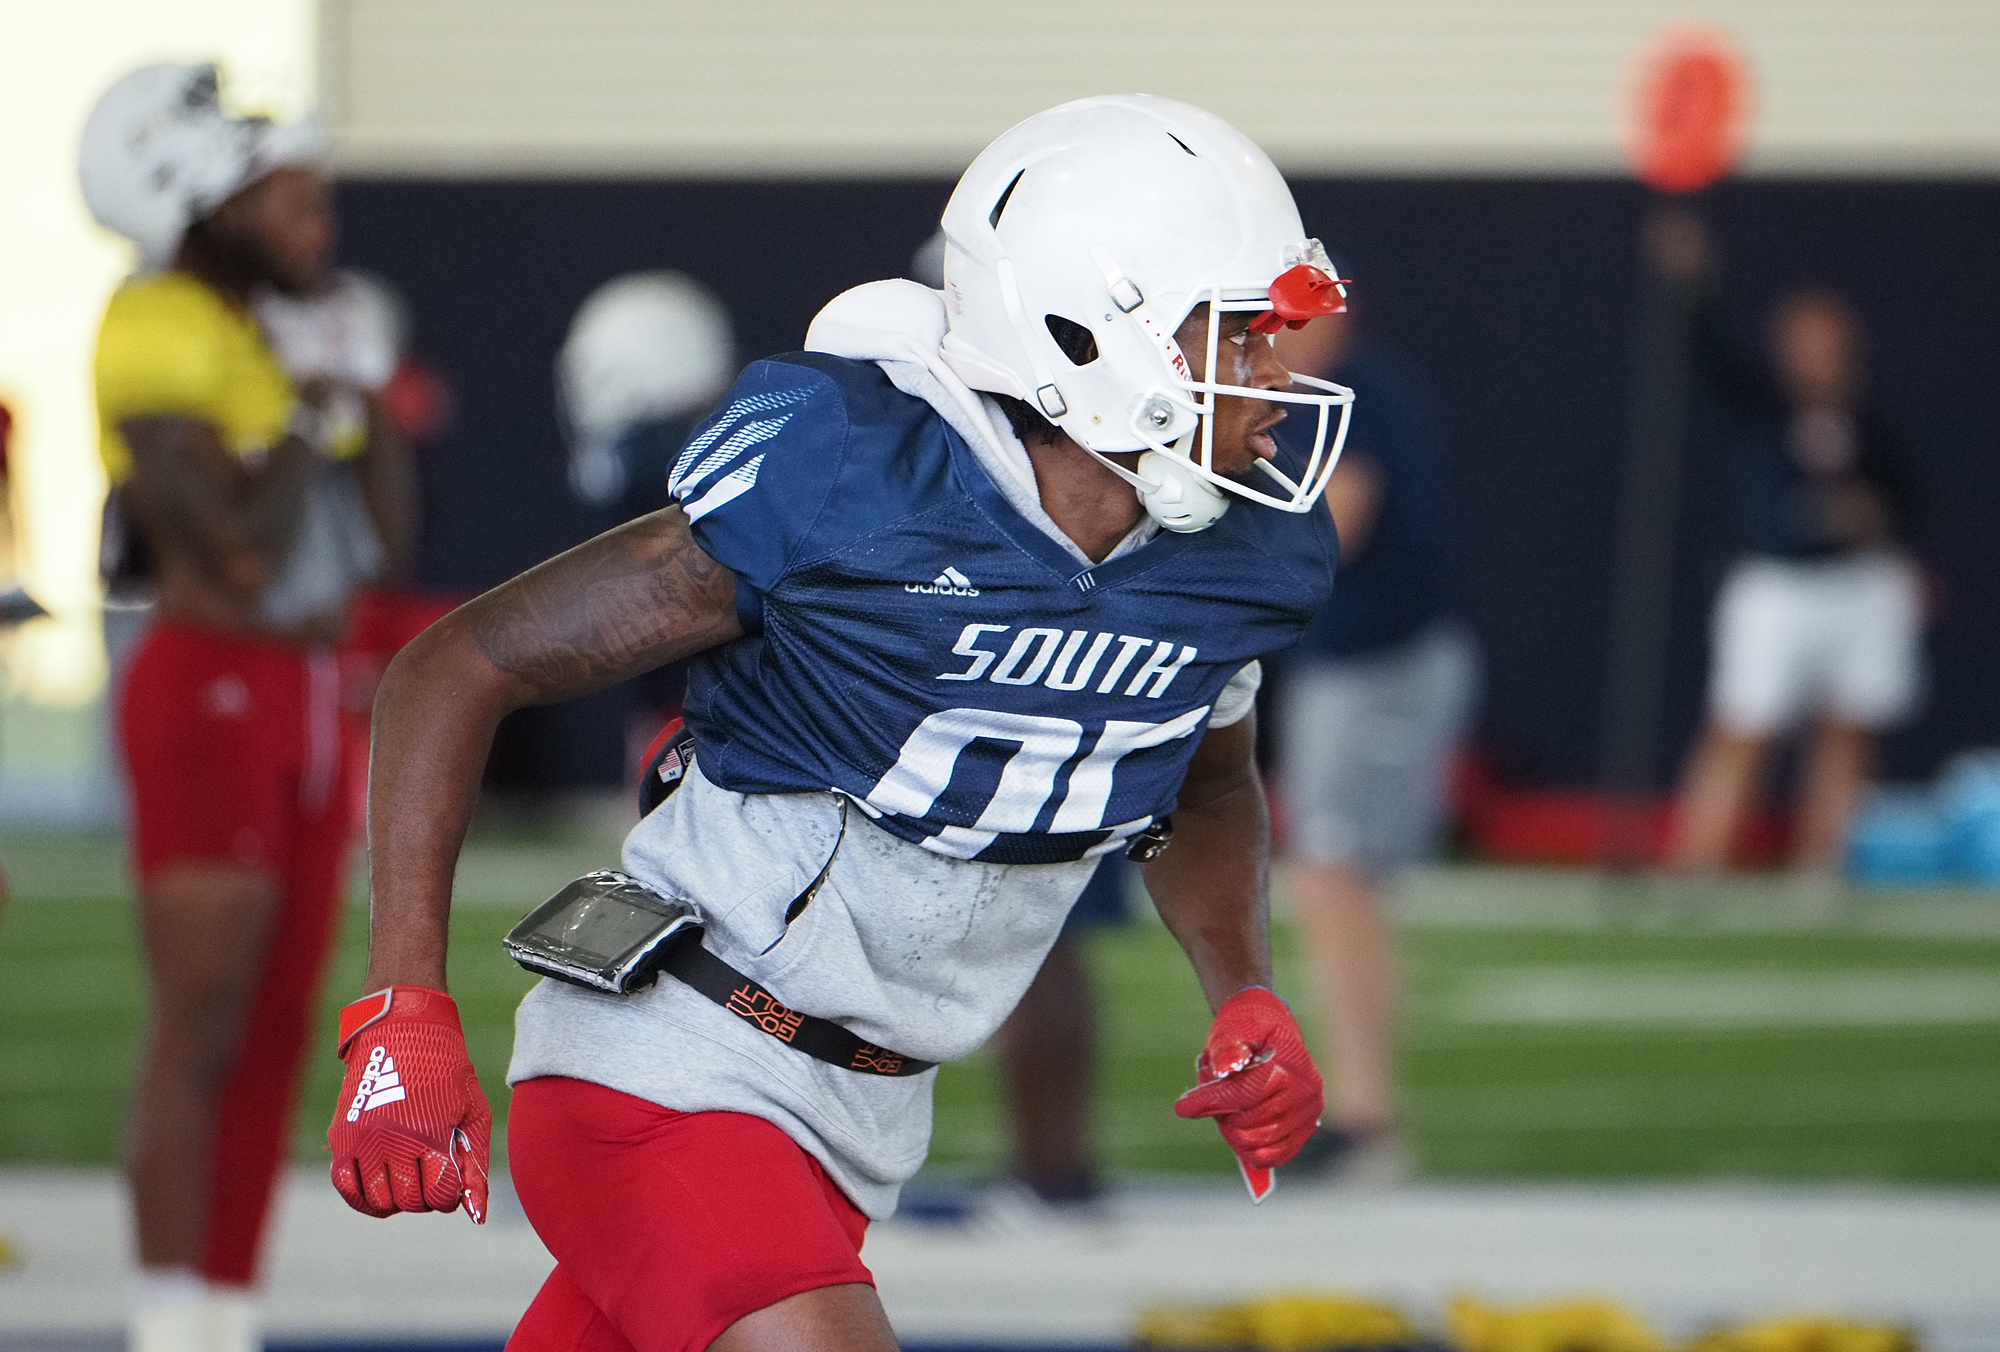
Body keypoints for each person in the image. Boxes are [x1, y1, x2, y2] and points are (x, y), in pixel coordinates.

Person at [329, 95, 1354, 1352]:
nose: (1275, 375)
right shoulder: (858, 478)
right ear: (1089, 334)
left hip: (852, 1124)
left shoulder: (1235, 553)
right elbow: (458, 662)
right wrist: (403, 1006)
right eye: (1237, 332)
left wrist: (1242, 989)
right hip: (668, 1063)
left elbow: (1207, 784)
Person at [80, 63, 414, 1352]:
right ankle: (167, 1315)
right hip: (212, 680)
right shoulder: (158, 321)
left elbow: (383, 540)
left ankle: (226, 1310)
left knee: (279, 1028)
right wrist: (311, 411)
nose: (314, 220)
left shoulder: (280, 324)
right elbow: (232, 551)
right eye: (284, 196)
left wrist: (362, 397)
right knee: (202, 1017)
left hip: (307, 689)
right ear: (199, 198)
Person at [1269, 295, 1478, 1183]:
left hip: (1379, 664)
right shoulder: (1339, 388)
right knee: (1331, 878)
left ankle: (1367, 1115)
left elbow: (1338, 526)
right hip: (1351, 665)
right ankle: (1362, 1110)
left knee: (1336, 875)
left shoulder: (1355, 392)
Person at [1651, 211, 1923, 879]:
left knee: (1847, 728)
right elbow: (1706, 353)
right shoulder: (1763, 410)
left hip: (1857, 586)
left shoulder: (1871, 427)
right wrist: (1689, 284)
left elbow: (1909, 507)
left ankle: (1820, 869)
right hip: (1778, 583)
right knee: (1744, 724)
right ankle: (1696, 865)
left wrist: (1870, 518)